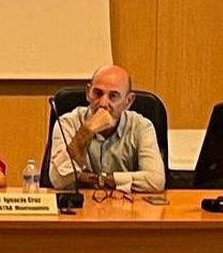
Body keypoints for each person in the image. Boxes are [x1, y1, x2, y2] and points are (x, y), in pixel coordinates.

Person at [48, 64, 165, 192]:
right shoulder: (67, 123)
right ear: (88, 93)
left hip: (127, 208)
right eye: (97, 93)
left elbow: (156, 180)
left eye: (113, 96)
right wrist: (86, 132)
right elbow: (57, 179)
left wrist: (102, 179)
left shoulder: (141, 127)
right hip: (80, 208)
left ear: (129, 101)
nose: (103, 103)